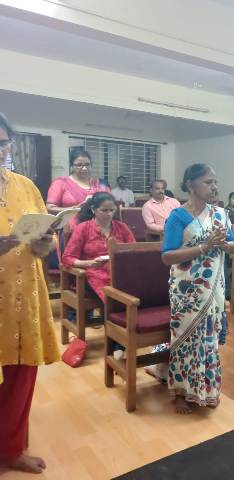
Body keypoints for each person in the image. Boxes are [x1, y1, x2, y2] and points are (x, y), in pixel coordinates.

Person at [0, 112, 59, 474]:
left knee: (21, 374)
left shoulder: (25, 187)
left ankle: (11, 448)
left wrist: (44, 244)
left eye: (2, 143)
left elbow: (45, 240)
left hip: (24, 295)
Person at [161, 164, 234, 414]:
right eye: (208, 182)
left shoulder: (220, 214)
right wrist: (204, 247)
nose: (214, 187)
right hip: (187, 290)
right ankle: (180, 393)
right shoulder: (178, 216)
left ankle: (206, 390)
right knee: (184, 340)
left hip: (213, 288)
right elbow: (167, 256)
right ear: (190, 184)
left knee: (208, 340)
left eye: (215, 182)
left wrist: (225, 245)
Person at [62, 192, 136, 303]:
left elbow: (134, 250)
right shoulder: (83, 228)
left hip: (120, 270)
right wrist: (89, 263)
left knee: (138, 287)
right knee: (117, 299)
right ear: (93, 210)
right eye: (104, 210)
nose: (109, 214)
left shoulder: (122, 227)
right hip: (93, 273)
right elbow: (67, 258)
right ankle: (117, 309)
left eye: (112, 210)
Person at [46, 149, 110, 213]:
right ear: (71, 166)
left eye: (87, 164)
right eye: (79, 165)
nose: (84, 168)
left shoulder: (101, 184)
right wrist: (74, 209)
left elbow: (111, 206)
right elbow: (50, 208)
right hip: (71, 219)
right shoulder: (61, 183)